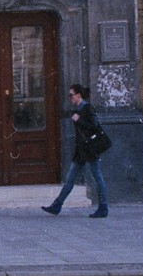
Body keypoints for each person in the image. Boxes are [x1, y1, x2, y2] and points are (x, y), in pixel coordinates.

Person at [42, 83, 109, 218]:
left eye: (71, 95)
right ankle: (57, 205)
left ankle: (103, 207)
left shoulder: (87, 108)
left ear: (78, 95)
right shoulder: (78, 109)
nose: (70, 98)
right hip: (81, 151)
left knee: (97, 176)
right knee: (70, 178)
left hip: (90, 149)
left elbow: (94, 127)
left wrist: (79, 120)